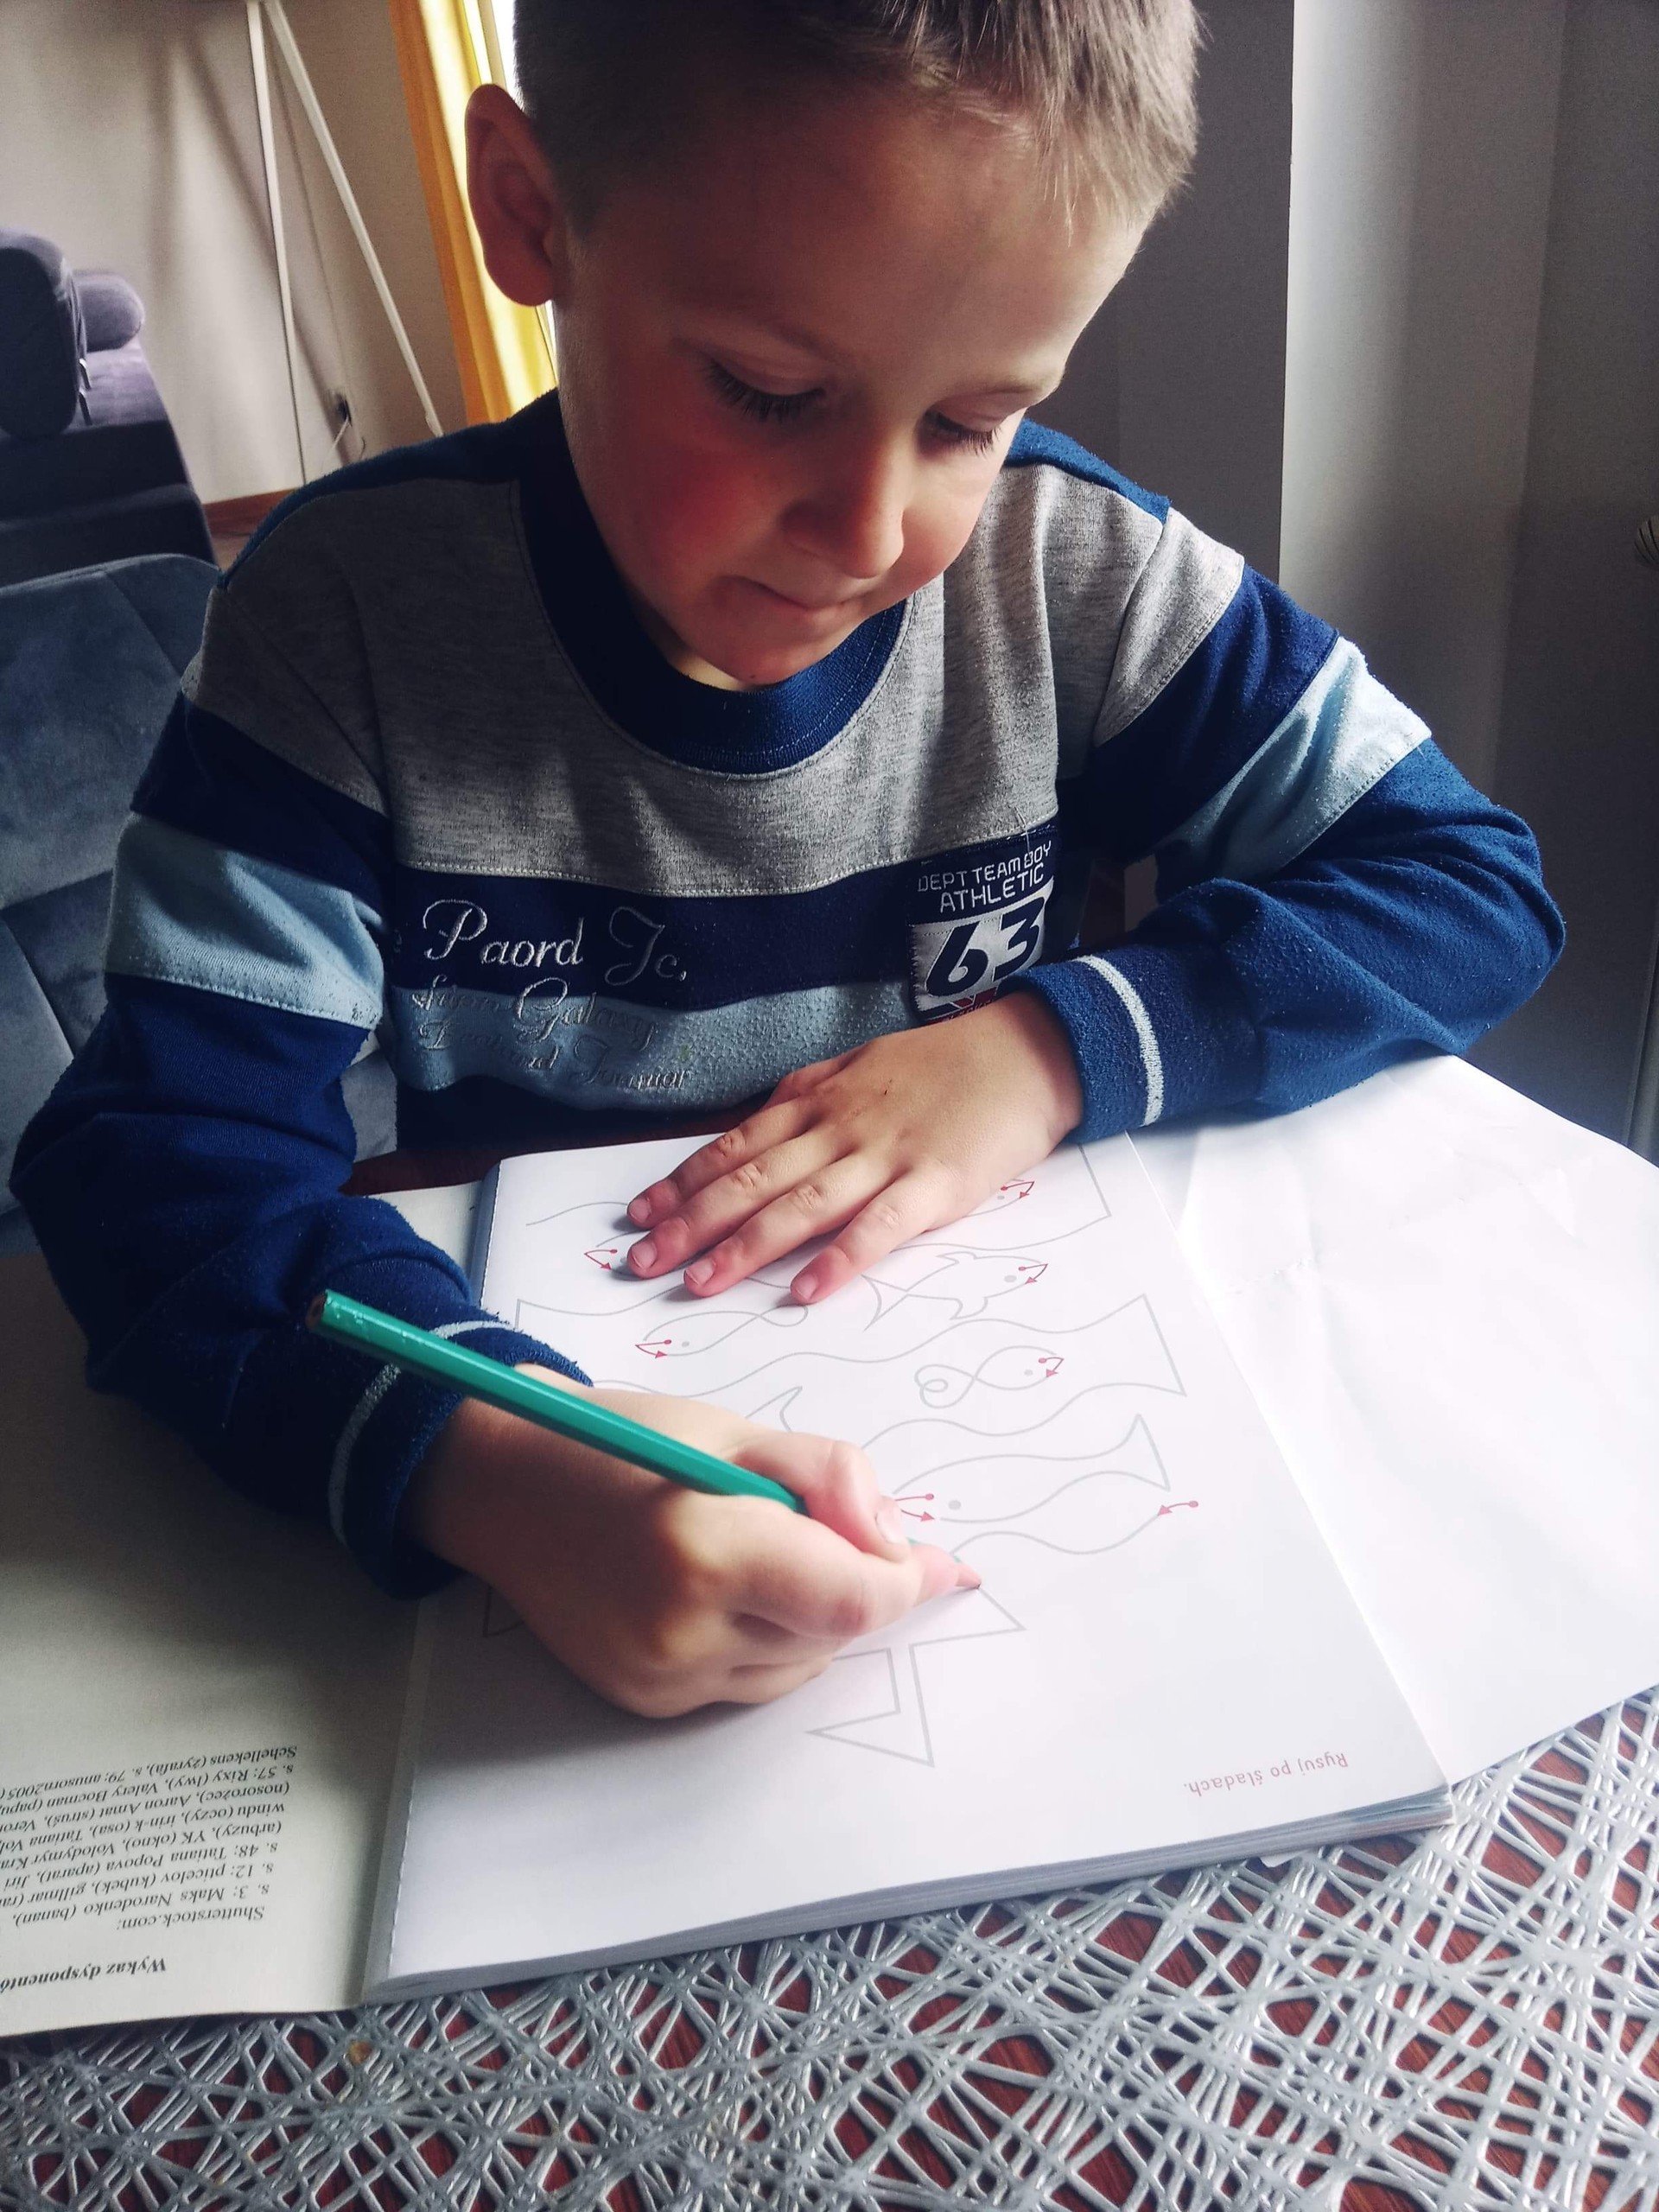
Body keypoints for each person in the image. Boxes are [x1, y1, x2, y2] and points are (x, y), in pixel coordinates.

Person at [13, 0, 1560, 1719]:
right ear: (529, 214)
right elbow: (156, 1163)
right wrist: (488, 1458)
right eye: (770, 393)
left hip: (1008, 1437)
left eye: (972, 421)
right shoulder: (342, 619)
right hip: (548, 1451)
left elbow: (1465, 882)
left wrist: (1045, 1051)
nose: (873, 530)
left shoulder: (1077, 571)